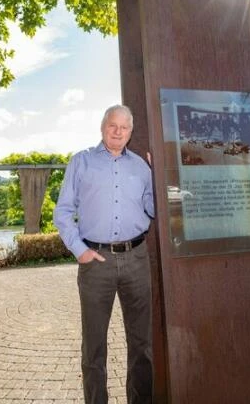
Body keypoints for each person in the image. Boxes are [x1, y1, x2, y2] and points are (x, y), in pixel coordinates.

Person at [54, 104, 155, 404]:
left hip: (137, 259)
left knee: (142, 344)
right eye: (113, 125)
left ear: (130, 132)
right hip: (95, 262)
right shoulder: (81, 162)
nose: (118, 132)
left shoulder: (141, 167)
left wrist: (159, 173)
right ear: (102, 126)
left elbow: (152, 208)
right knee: (94, 346)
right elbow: (63, 211)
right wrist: (79, 250)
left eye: (124, 127)